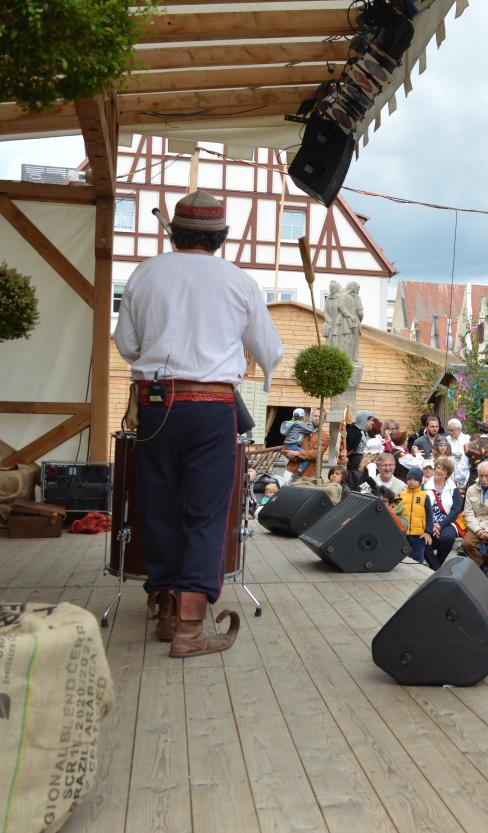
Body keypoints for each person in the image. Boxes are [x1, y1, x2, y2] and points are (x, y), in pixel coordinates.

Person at [114, 189, 283, 657]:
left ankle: (166, 608)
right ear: (221, 237)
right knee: (206, 513)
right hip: (210, 408)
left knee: (158, 505)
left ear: (174, 233)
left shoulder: (145, 274)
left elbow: (126, 345)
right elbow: (270, 351)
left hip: (155, 403)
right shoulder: (240, 281)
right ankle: (189, 629)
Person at [424, 457, 463, 569]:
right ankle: (436, 568)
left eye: (443, 469)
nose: (439, 471)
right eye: (437, 468)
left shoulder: (453, 488)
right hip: (428, 521)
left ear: (447, 474)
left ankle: (434, 566)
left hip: (446, 522)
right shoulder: (425, 486)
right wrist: (431, 525)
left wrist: (440, 525)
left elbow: (456, 510)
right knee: (421, 539)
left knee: (447, 538)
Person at [398, 469, 432, 565]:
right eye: (409, 479)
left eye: (415, 479)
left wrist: (427, 532)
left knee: (417, 561)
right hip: (404, 533)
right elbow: (396, 513)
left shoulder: (424, 496)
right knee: (402, 559)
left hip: (419, 535)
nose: (411, 482)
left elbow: (430, 516)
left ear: (420, 481)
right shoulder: (401, 495)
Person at [280, 408, 316, 481]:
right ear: (302, 417)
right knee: (307, 458)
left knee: (301, 457)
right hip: (293, 445)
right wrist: (310, 423)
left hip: (288, 444)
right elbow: (310, 430)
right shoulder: (299, 424)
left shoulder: (290, 423)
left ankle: (297, 472)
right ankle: (298, 473)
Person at [445, 418, 470, 489]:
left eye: (451, 430)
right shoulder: (446, 439)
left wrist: (453, 453)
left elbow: (466, 454)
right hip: (450, 469)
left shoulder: (467, 439)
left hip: (464, 469)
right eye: (448, 430)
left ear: (459, 429)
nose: (449, 432)